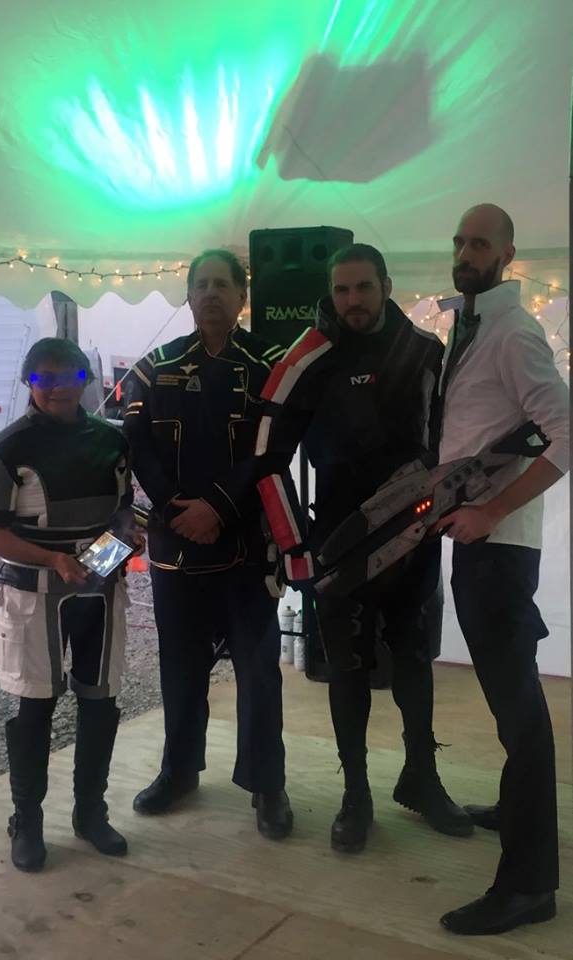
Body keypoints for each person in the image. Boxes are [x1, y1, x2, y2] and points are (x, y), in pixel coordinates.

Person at [253, 243, 472, 852]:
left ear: (386, 286)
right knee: (346, 671)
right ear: (331, 291)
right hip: (339, 545)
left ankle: (422, 778)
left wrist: (443, 511)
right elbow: (267, 459)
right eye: (342, 289)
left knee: (415, 663)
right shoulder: (308, 358)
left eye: (364, 287)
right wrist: (295, 546)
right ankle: (356, 794)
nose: (352, 300)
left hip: (414, 538)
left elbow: (448, 446)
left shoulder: (426, 352)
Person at [123, 249, 293, 839]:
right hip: (176, 545)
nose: (212, 293)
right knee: (179, 668)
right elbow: (136, 443)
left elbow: (273, 451)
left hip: (247, 544)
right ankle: (178, 771)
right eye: (202, 284)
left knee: (258, 669)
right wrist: (178, 508)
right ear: (189, 295)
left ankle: (267, 783)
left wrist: (217, 508)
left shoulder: (271, 365)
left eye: (223, 284)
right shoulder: (155, 367)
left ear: (243, 296)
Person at [433, 204, 568, 936]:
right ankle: (517, 812)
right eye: (459, 241)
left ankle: (528, 886)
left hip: (500, 546)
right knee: (507, 701)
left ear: (507, 254)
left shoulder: (513, 331)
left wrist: (490, 512)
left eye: (479, 243)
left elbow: (567, 432)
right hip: (477, 537)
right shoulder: (473, 326)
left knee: (519, 711)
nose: (465, 252)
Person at [0, 337, 140, 872]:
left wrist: (113, 553)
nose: (59, 387)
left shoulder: (111, 440)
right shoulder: (7, 448)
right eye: (46, 378)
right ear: (29, 382)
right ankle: (27, 821)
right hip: (33, 593)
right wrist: (54, 559)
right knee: (35, 705)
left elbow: (124, 515)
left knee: (101, 700)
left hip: (100, 588)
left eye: (70, 376)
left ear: (84, 380)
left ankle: (90, 813)